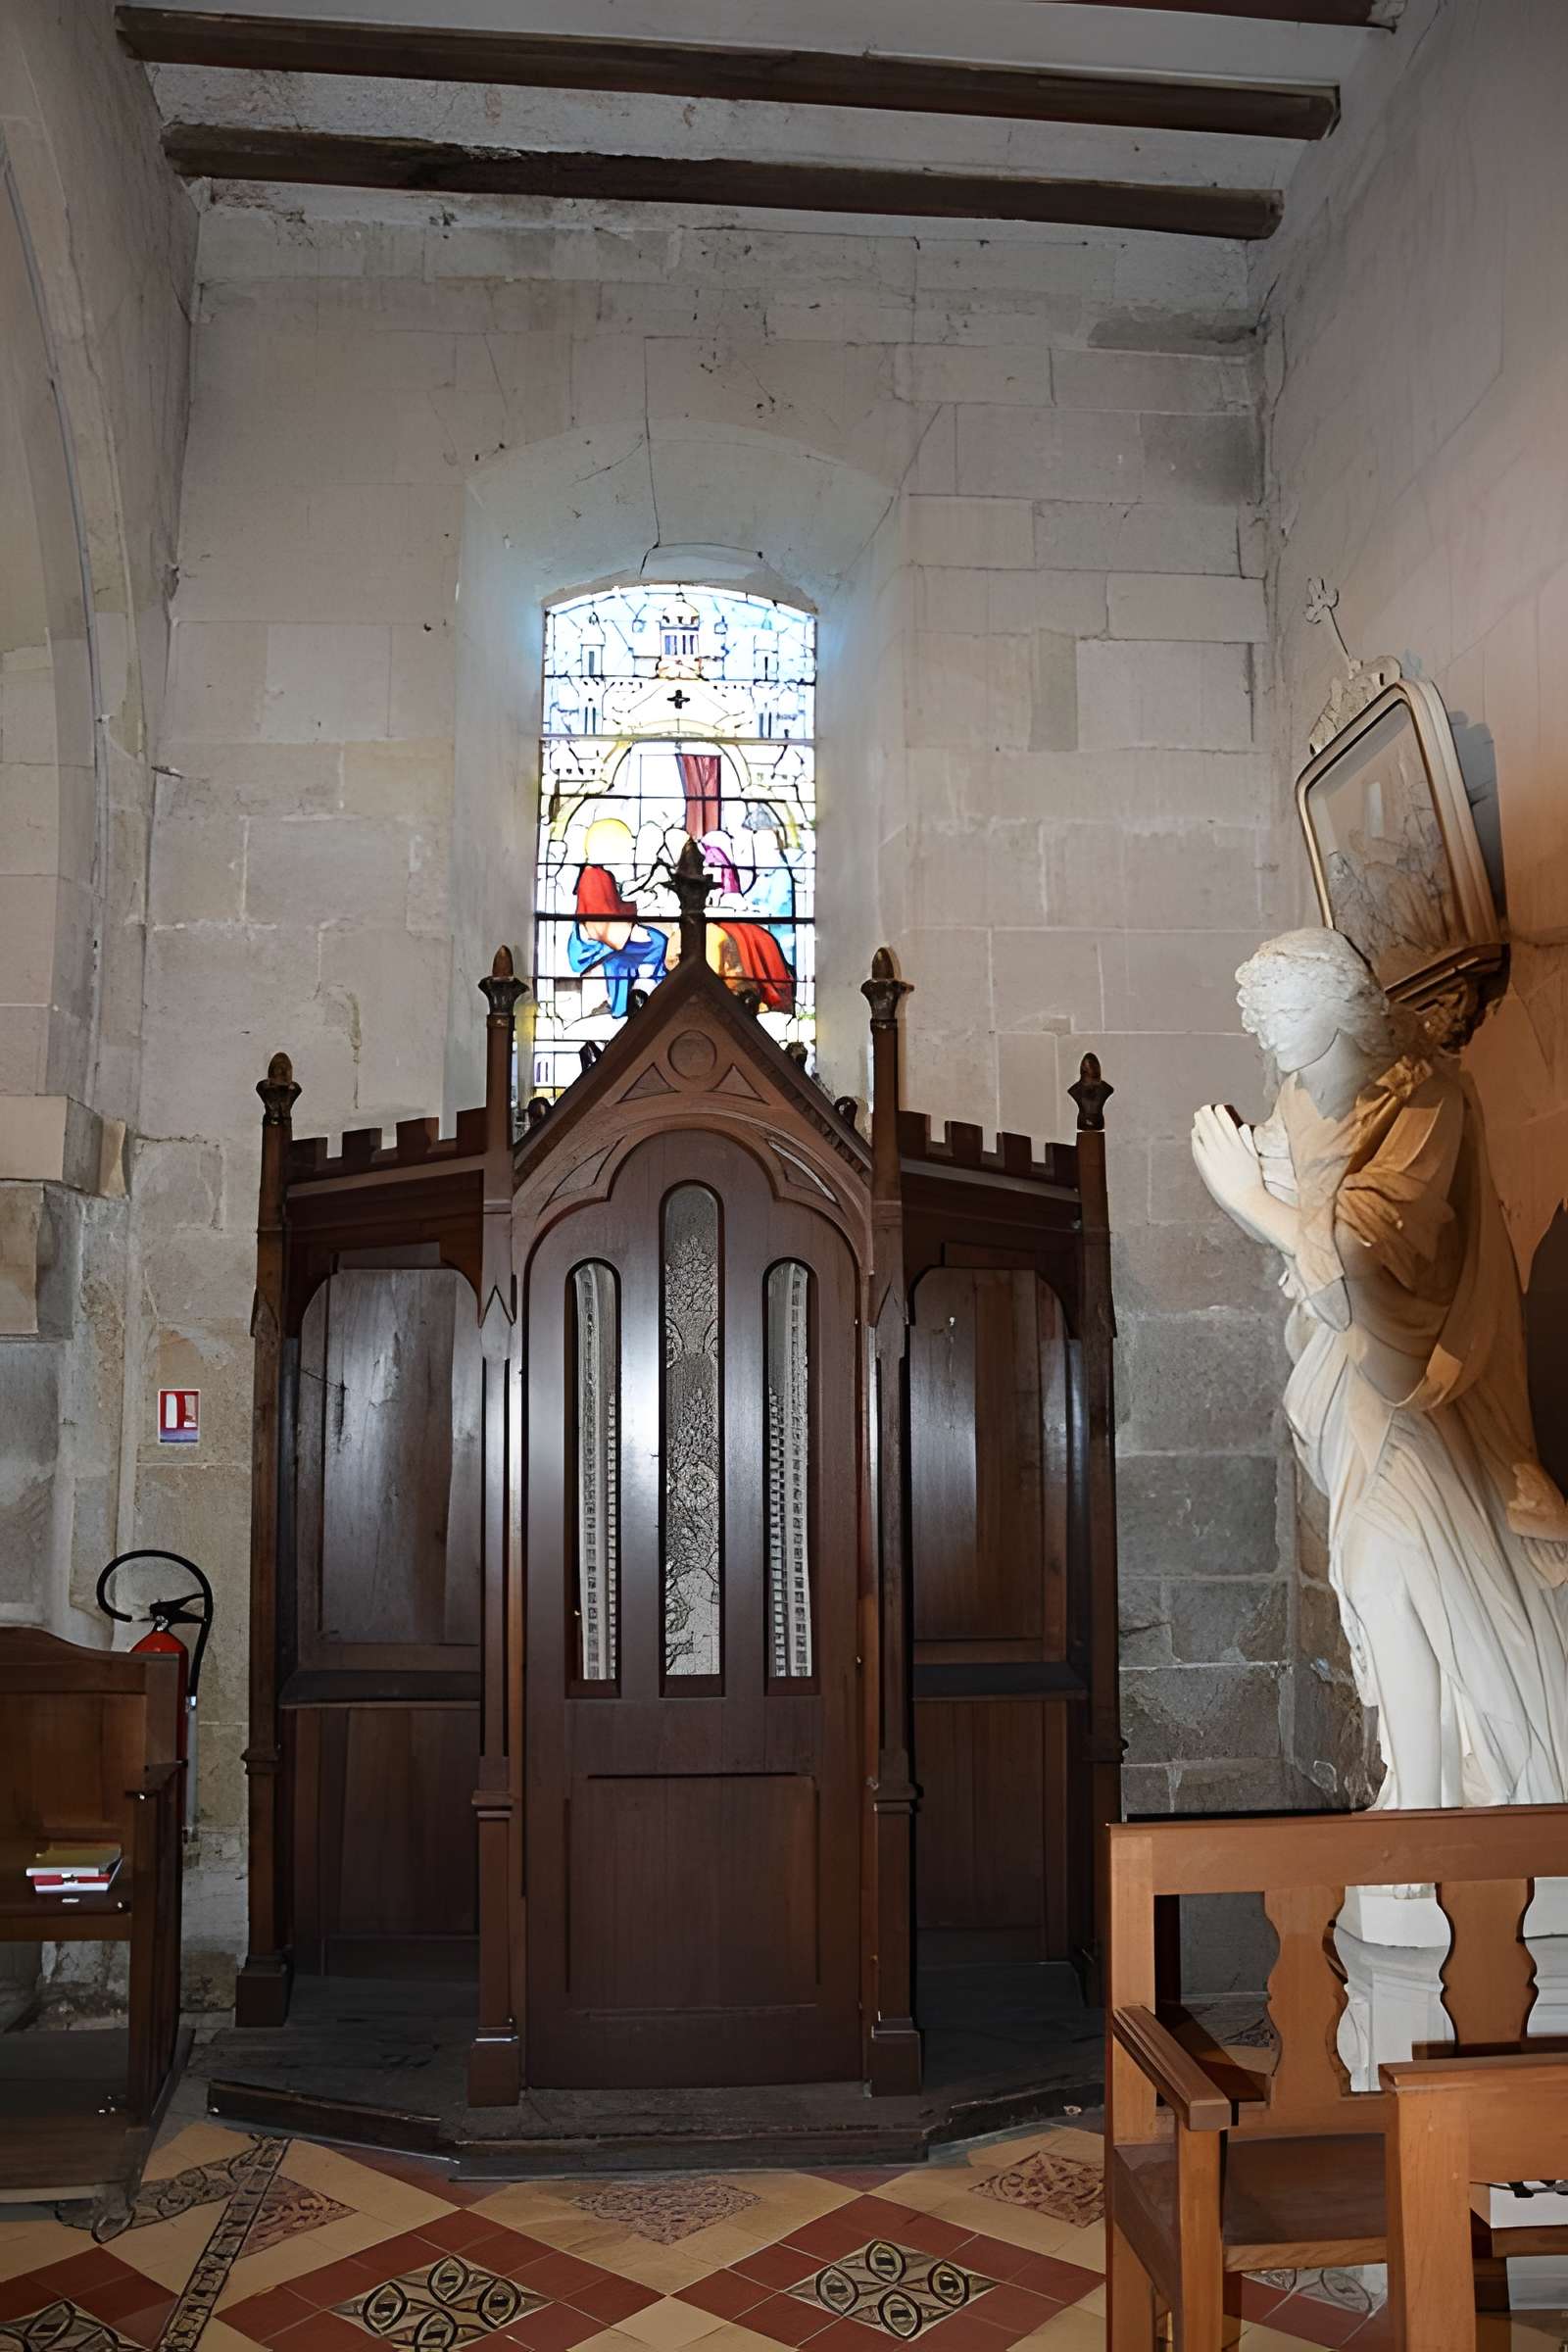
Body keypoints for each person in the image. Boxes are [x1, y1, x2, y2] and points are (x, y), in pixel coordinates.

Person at [1192, 927, 1568, 1811]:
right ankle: (1417, 1780)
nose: (1268, 1034)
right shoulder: (1298, 1095)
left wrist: (1246, 1197)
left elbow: (1365, 1244)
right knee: (1375, 1581)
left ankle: (1433, 1798)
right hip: (1345, 1373)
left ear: (1337, 1003)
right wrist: (1262, 1175)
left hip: (1425, 1382)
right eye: (1260, 1017)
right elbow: (1308, 1211)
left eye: (1283, 1012)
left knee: (1384, 1569)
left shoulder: (1424, 1093)